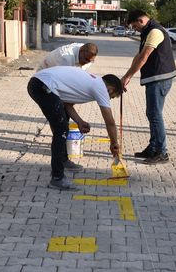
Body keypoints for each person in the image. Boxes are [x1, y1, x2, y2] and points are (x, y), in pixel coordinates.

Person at [27, 66, 122, 190]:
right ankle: (57, 178)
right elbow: (109, 122)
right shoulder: (101, 88)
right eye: (112, 96)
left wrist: (79, 121)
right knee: (61, 130)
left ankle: (63, 160)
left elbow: (67, 105)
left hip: (40, 83)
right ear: (110, 89)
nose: (109, 99)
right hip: (43, 87)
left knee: (63, 121)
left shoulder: (93, 81)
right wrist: (114, 143)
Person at [121, 9, 176, 164]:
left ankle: (161, 152)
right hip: (155, 78)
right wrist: (127, 76)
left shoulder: (155, 32)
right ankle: (152, 148)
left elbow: (144, 57)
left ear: (140, 20)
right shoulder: (147, 31)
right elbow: (138, 56)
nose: (135, 29)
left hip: (160, 78)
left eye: (134, 26)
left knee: (154, 114)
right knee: (152, 113)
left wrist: (128, 76)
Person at [37, 42, 98, 171]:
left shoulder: (87, 57)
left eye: (90, 61)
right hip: (43, 84)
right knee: (60, 125)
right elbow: (63, 88)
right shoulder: (65, 58)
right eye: (86, 59)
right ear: (81, 51)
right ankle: (61, 163)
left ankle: (62, 155)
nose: (87, 63)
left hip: (56, 81)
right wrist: (75, 114)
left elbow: (75, 80)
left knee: (63, 122)